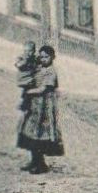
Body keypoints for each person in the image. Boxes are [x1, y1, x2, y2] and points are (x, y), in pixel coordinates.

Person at [18, 45, 64, 174]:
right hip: (35, 106)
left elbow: (43, 89)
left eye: (46, 57)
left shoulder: (51, 72)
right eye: (42, 56)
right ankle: (34, 161)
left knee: (40, 136)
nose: (43, 59)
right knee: (30, 133)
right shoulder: (40, 68)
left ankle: (40, 164)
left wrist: (30, 91)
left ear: (53, 57)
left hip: (45, 108)